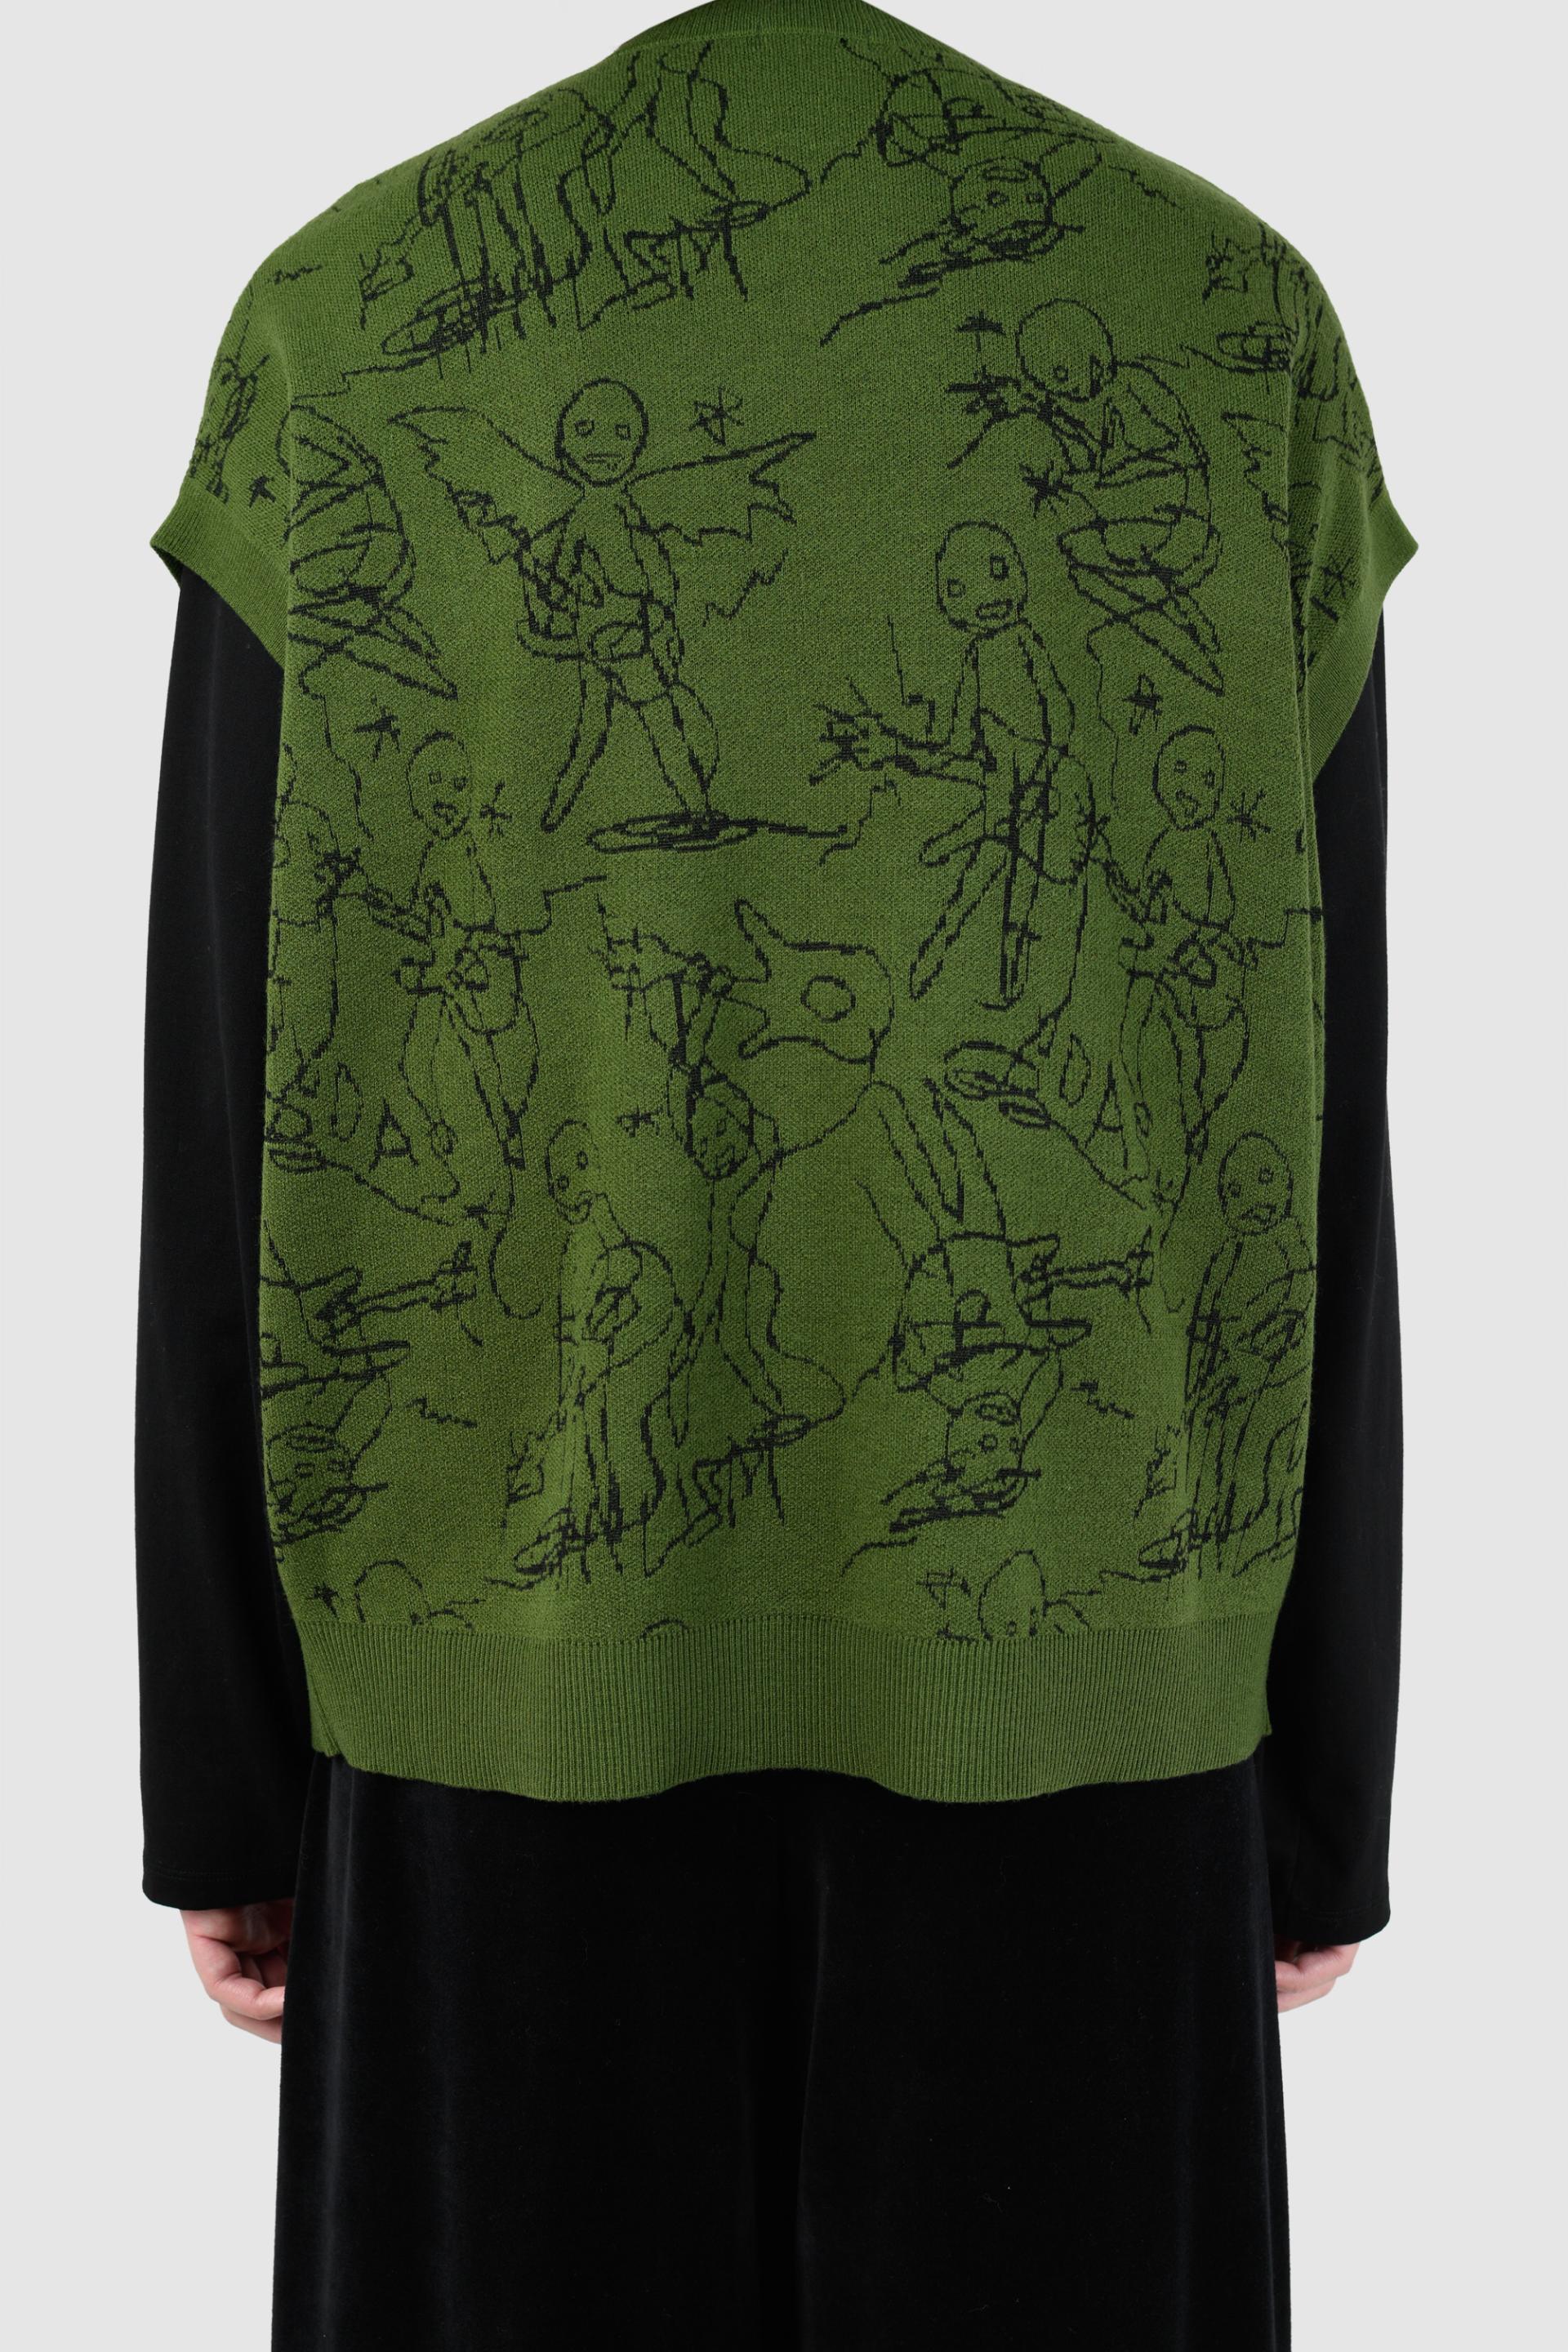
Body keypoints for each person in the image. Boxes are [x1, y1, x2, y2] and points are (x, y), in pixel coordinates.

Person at [139, 4, 1412, 2344]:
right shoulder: (1229, 309)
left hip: (505, 1706)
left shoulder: (348, 315)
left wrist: (226, 1772)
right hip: (1083, 1706)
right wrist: (1322, 1777)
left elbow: (237, 1081)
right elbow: (1309, 1098)